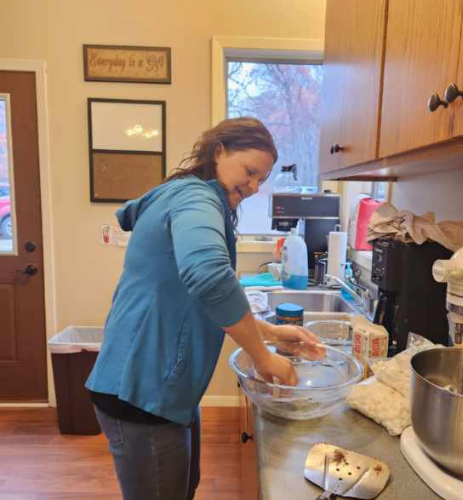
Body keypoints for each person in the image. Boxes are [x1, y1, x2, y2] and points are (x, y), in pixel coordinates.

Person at [86, 117, 325, 500]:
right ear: (218, 151)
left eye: (260, 179)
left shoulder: (185, 195)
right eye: (249, 172)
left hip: (162, 385)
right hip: (141, 387)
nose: (252, 187)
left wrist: (273, 333)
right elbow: (210, 277)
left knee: (183, 488)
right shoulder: (195, 199)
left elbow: (200, 296)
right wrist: (262, 356)